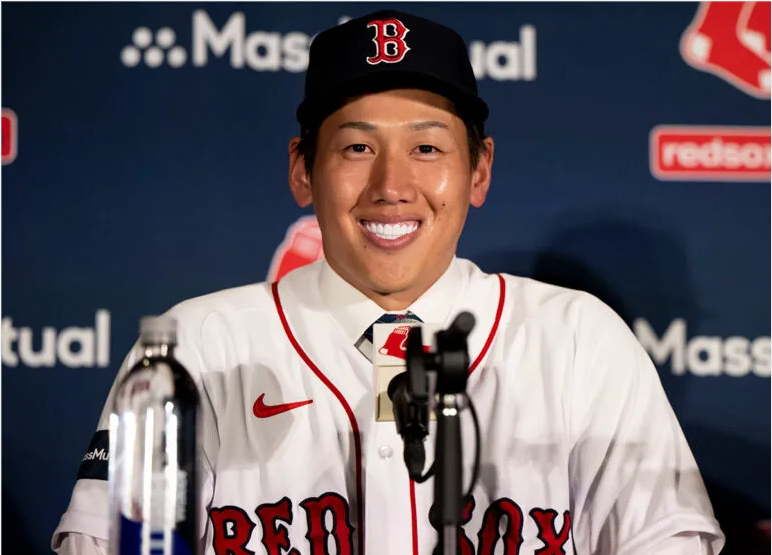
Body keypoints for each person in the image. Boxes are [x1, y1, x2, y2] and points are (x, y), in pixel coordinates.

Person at [52, 9, 725, 555]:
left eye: (427, 147)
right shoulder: (194, 350)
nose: (392, 187)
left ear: (479, 171)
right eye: (357, 147)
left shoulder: (579, 342)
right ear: (302, 169)